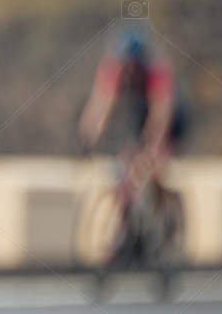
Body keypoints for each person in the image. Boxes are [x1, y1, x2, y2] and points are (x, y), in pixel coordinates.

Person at [78, 25, 188, 200]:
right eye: (127, 65)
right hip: (137, 115)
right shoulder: (114, 70)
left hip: (170, 118)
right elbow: (100, 106)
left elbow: (160, 115)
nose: (131, 70)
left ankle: (161, 206)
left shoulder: (156, 72)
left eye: (135, 66)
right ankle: (126, 212)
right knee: (125, 161)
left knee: (154, 163)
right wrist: (88, 138)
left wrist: (152, 147)